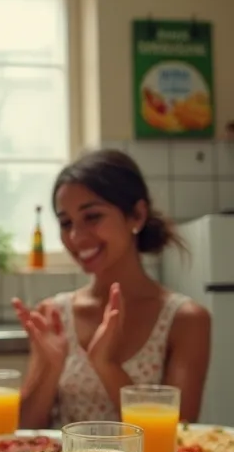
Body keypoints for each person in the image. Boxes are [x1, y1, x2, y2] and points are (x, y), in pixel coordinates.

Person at [13, 149, 211, 428]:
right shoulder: (54, 314)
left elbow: (178, 438)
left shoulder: (186, 320)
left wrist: (106, 365)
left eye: (92, 217)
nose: (76, 237)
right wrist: (51, 368)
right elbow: (23, 436)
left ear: (137, 216)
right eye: (66, 223)